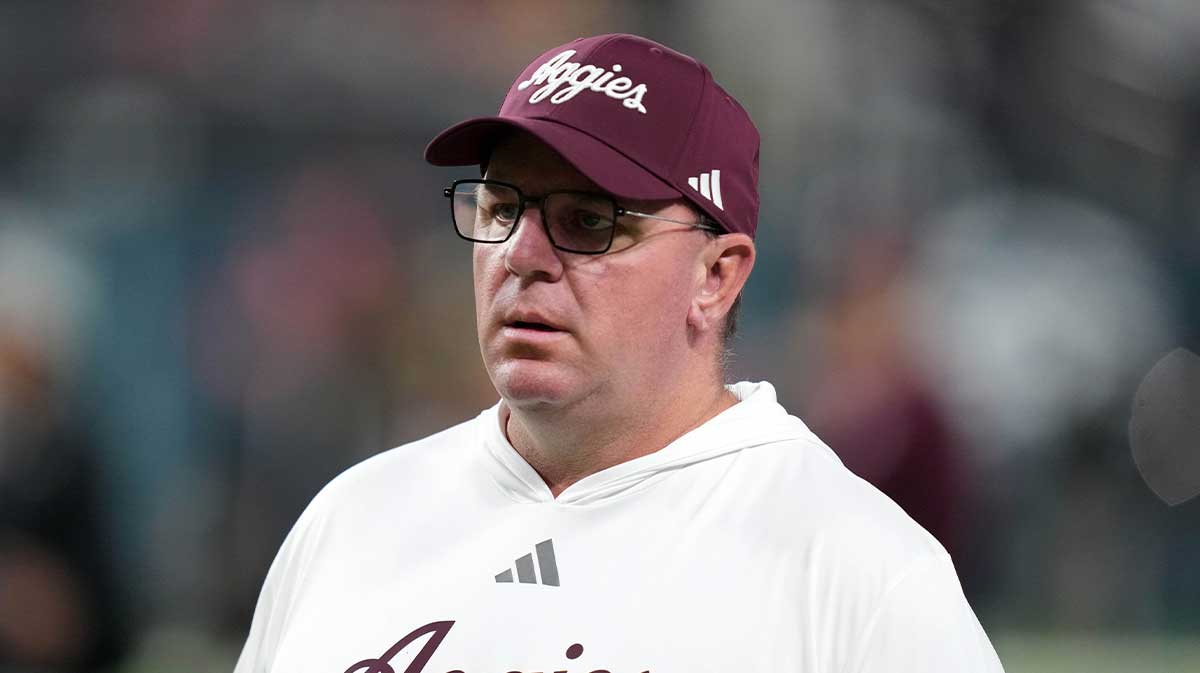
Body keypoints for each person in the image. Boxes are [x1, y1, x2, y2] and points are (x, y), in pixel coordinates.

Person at [234, 33, 1005, 672]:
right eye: (501, 208)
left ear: (717, 275)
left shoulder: (858, 573)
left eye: (587, 221)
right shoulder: (350, 522)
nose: (521, 253)